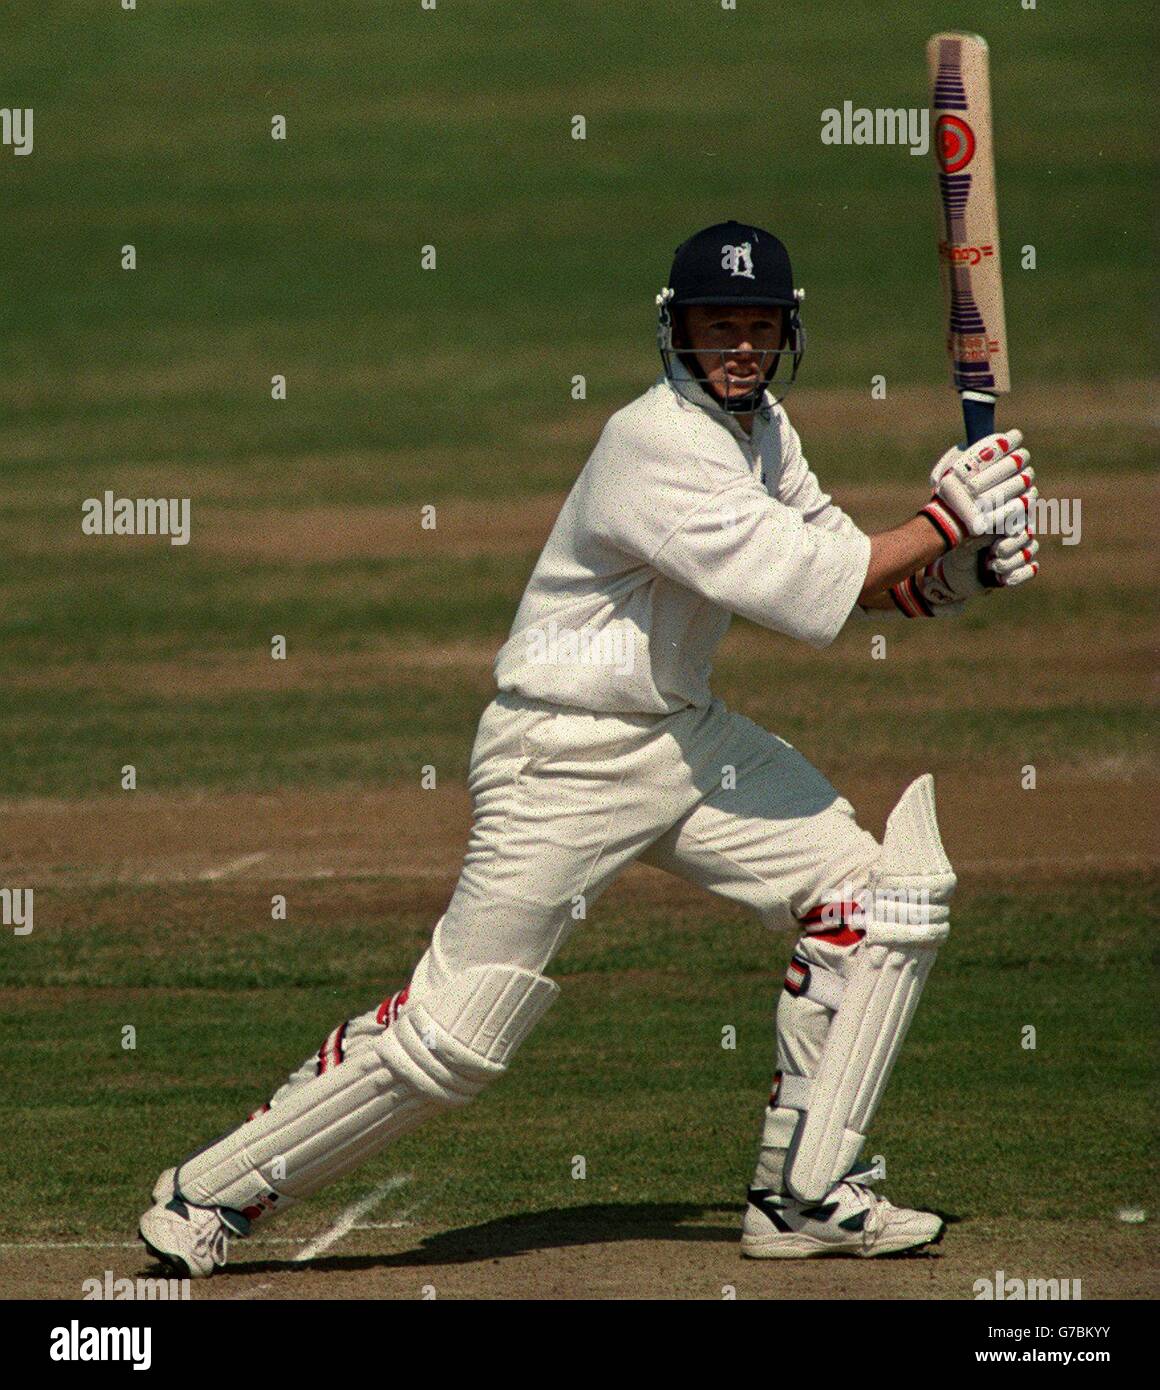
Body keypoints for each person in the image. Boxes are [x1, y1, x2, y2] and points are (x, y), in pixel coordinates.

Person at [139, 220, 1039, 1276]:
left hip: (680, 737)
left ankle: (803, 1194)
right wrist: (948, 515)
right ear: (678, 332)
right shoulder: (650, 442)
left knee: (878, 896)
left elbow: (850, 567)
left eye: (757, 326)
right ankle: (210, 1193)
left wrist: (958, 571)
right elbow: (809, 597)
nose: (739, 347)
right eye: (719, 326)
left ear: (785, 333)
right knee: (460, 1032)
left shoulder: (765, 433)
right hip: (559, 753)